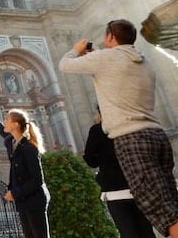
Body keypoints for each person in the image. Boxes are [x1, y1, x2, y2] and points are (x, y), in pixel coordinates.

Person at [59, 18, 178, 237]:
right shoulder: (142, 61)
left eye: (106, 36)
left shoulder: (107, 58)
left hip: (131, 140)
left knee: (161, 211)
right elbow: (113, 67)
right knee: (170, 200)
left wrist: (75, 50)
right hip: (156, 135)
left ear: (111, 37)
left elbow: (65, 64)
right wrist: (96, 56)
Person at [83, 106, 155, 238]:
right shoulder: (130, 126)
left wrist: (104, 159)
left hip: (115, 191)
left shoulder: (97, 130)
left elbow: (89, 159)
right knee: (146, 232)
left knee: (127, 233)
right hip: (137, 187)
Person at [0, 103, 50, 238]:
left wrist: (15, 193)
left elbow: (37, 179)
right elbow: (1, 129)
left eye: (7, 119)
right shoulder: (12, 143)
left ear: (16, 125)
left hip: (35, 201)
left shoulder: (29, 148)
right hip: (24, 201)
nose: (5, 121)